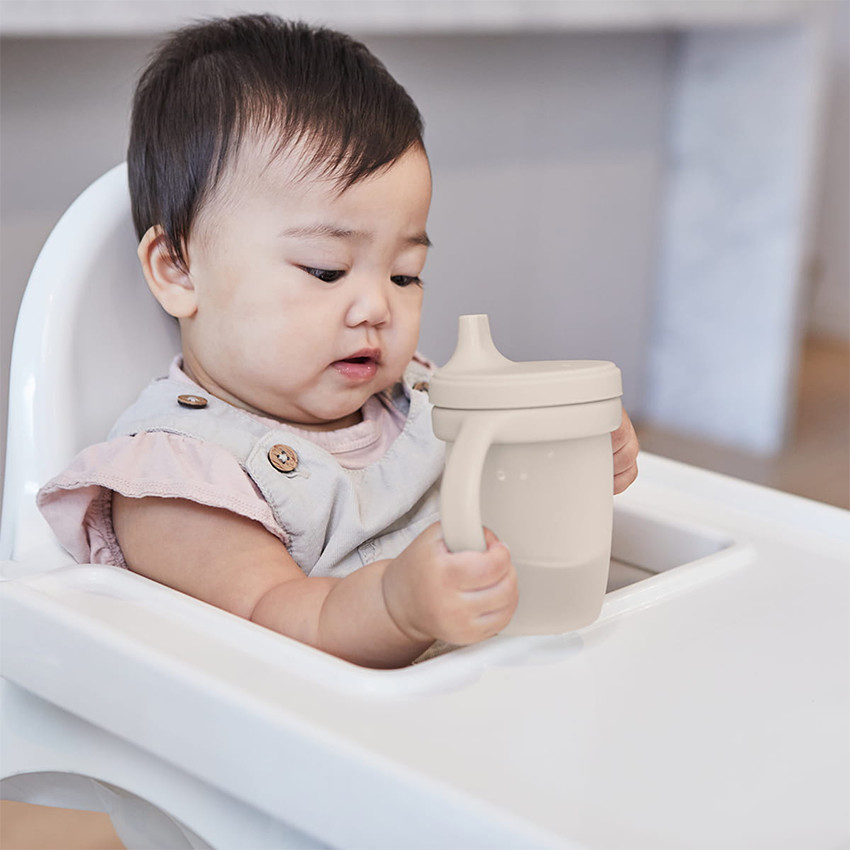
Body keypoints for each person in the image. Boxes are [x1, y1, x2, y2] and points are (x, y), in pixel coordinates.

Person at [37, 14, 639, 669]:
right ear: (178, 269)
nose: (378, 306)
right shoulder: (177, 482)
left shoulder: (418, 398)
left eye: (406, 273)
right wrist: (397, 607)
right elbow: (278, 620)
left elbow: (513, 507)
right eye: (326, 270)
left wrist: (567, 458)